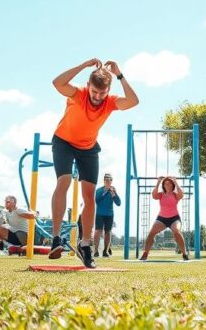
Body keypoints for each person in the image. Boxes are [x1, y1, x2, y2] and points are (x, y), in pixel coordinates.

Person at [49, 58, 139, 268]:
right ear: (88, 86)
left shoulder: (110, 102)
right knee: (63, 182)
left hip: (88, 148)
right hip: (63, 142)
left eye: (102, 93)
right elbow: (57, 83)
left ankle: (86, 245)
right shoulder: (78, 93)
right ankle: (56, 238)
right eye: (94, 92)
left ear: (108, 90)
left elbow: (133, 101)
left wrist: (119, 74)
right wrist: (83, 66)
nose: (98, 97)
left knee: (89, 196)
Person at [139, 177, 189, 261]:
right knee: (151, 233)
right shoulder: (161, 194)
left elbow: (181, 194)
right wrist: (158, 182)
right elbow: (154, 196)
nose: (167, 184)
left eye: (169, 183)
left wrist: (176, 182)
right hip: (161, 218)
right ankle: (145, 253)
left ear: (172, 185)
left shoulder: (175, 194)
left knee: (177, 231)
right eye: (165, 183)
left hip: (174, 218)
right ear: (163, 185)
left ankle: (184, 254)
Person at [93, 173, 121, 257]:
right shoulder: (99, 190)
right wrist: (105, 192)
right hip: (100, 213)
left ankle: (105, 251)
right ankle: (96, 250)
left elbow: (118, 203)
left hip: (109, 214)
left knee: (108, 232)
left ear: (111, 181)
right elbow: (97, 200)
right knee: (98, 231)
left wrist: (115, 194)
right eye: (106, 180)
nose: (108, 181)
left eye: (109, 180)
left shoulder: (113, 190)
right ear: (104, 181)